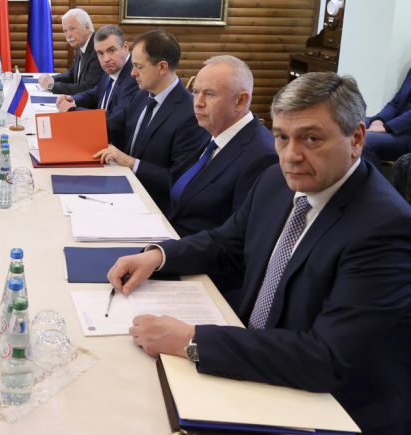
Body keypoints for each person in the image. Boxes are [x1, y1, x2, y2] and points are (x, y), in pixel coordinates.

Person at [107, 72, 411, 434]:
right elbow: (226, 243)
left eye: (311, 139)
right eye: (282, 137)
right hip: (259, 363)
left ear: (356, 138)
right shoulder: (275, 181)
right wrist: (159, 256)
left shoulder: (384, 227)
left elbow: (326, 356)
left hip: (334, 407)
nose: (291, 155)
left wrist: (191, 339)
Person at [168, 55, 276, 304]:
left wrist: (166, 256)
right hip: (178, 247)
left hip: (204, 279)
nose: (198, 102)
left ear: (241, 100)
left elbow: (235, 244)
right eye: (195, 92)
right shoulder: (215, 135)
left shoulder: (262, 156)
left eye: (209, 94)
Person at [95, 30, 209, 215]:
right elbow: (113, 125)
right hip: (123, 190)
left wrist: (131, 162)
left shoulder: (190, 114)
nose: (132, 73)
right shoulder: (141, 95)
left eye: (139, 67)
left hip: (154, 208)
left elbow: (178, 180)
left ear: (162, 67)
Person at [55, 24, 138, 122]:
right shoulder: (112, 68)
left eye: (111, 51)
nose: (106, 59)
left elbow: (115, 121)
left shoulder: (134, 77)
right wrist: (73, 99)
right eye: (100, 53)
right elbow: (96, 93)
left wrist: (73, 110)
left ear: (125, 47)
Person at [37, 8, 103, 96]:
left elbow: (87, 88)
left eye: (72, 29)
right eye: (65, 30)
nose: (68, 35)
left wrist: (52, 86)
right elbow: (72, 74)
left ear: (87, 28)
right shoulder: (82, 44)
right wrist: (51, 79)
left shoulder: (98, 49)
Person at [361, 66, 411, 167]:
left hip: (406, 134)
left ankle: (373, 177)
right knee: (351, 123)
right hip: (394, 125)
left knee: (363, 140)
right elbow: (395, 102)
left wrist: (387, 127)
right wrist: (379, 120)